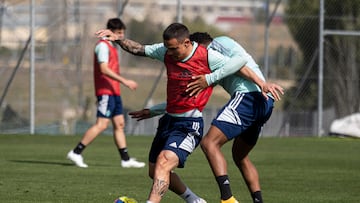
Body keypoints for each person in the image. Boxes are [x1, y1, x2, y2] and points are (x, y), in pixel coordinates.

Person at [96, 23, 248, 203]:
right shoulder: (166, 51)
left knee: (163, 161)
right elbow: (139, 49)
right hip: (168, 121)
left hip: (188, 125)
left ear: (186, 43)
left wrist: (210, 79)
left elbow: (240, 61)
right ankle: (195, 201)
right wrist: (119, 40)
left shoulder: (207, 57)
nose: (169, 52)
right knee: (155, 171)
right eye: (167, 48)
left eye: (174, 48)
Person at [187, 32, 284, 203]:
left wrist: (209, 78)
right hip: (263, 103)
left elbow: (239, 61)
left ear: (199, 45)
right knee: (240, 156)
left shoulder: (218, 43)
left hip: (249, 97)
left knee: (209, 143)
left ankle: (227, 199)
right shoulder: (211, 63)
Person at [66, 18, 145, 169]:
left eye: (123, 33)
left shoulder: (113, 47)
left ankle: (126, 159)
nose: (121, 36)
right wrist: (125, 81)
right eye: (119, 33)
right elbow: (104, 69)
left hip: (114, 92)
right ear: (110, 32)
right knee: (102, 125)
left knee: (119, 124)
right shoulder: (102, 46)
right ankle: (76, 152)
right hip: (106, 92)